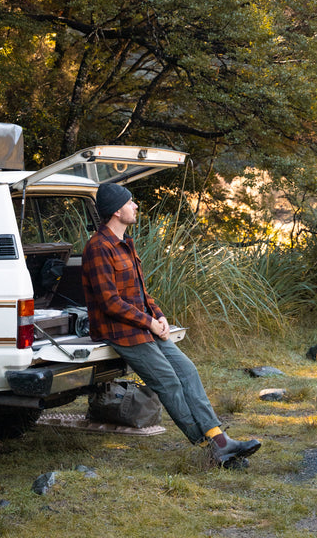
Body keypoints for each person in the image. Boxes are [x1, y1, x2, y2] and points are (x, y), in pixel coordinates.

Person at [82, 182, 261, 467]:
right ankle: (209, 447)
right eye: (130, 202)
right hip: (119, 331)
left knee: (187, 372)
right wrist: (149, 323)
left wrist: (159, 315)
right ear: (116, 211)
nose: (135, 206)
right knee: (168, 382)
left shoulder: (126, 243)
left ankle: (220, 440)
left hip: (141, 325)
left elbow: (140, 293)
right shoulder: (98, 248)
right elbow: (110, 303)